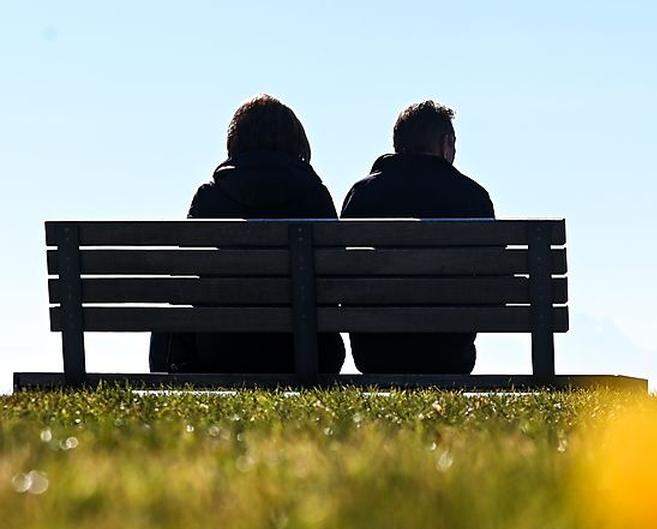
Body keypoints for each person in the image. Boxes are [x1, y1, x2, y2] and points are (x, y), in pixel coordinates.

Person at [149, 94, 346, 374]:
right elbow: (339, 281)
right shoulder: (315, 197)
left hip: (219, 352)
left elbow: (187, 283)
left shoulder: (211, 197)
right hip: (307, 353)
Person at [340, 100, 494, 374]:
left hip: (375, 352)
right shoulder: (473, 197)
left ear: (397, 144)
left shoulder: (363, 194)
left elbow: (340, 276)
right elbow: (492, 288)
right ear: (446, 143)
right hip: (449, 353)